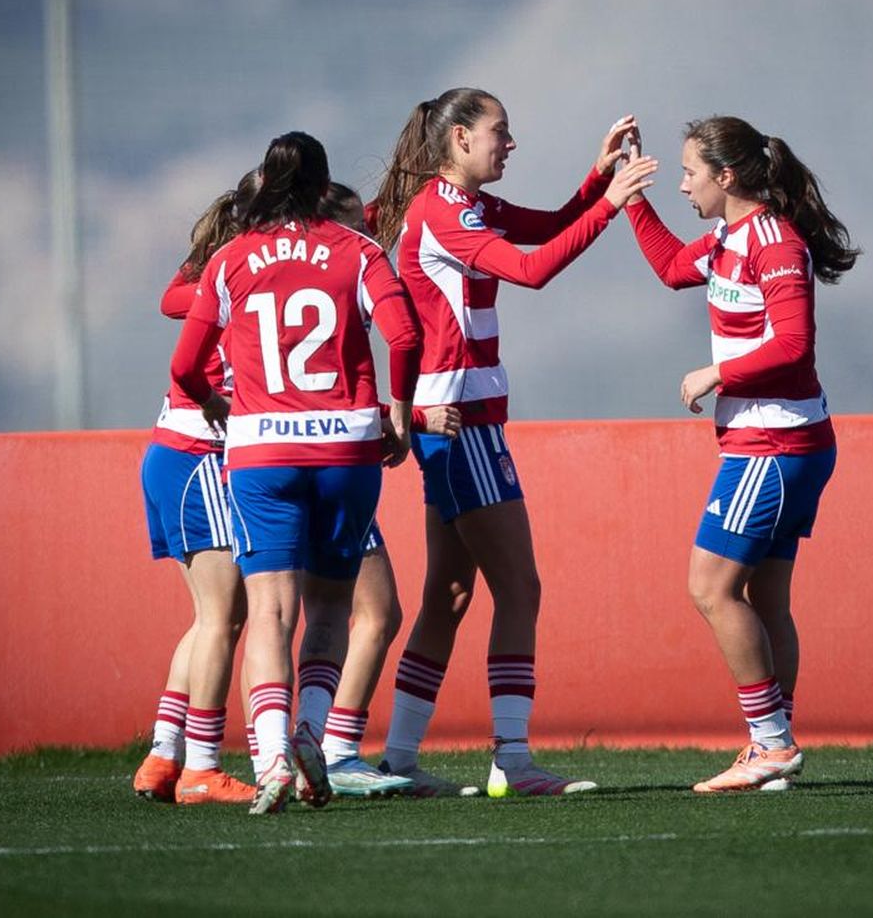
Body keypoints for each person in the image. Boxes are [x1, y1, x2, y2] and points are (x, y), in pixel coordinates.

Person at [366, 89, 657, 796]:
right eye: (501, 132)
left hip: (459, 417)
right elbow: (531, 270)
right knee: (519, 587)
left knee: (452, 592)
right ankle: (513, 760)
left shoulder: (459, 205)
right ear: (460, 139)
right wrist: (615, 202)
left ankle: (401, 758)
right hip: (461, 421)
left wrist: (595, 180)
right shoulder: (446, 210)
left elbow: (550, 225)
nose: (511, 143)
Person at [171, 132, 422, 815]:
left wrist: (224, 407)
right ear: (322, 185)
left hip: (261, 454)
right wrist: (396, 414)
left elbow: (185, 369)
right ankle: (314, 733)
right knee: (334, 609)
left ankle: (273, 755)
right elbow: (404, 336)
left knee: (271, 615)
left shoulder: (229, 260)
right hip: (345, 448)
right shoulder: (358, 250)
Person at [621, 116, 858, 793]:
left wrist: (715, 373)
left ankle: (772, 744)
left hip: (776, 442)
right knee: (766, 597)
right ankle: (774, 749)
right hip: (776, 441)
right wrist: (629, 194)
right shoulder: (728, 237)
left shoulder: (775, 242)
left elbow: (792, 345)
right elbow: (671, 268)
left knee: (709, 586)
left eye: (691, 171)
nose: (684, 184)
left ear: (727, 177)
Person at [289, 184, 462, 799]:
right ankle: (334, 750)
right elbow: (363, 374)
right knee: (374, 611)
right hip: (332, 462)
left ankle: (287, 747)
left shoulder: (267, 276)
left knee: (290, 614)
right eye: (355, 229)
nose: (366, 238)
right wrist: (411, 417)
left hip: (273, 462)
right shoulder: (347, 279)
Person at [132, 170, 259, 805]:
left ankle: (163, 756)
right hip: (197, 457)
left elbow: (172, 296)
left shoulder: (220, 275)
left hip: (171, 457)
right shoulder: (237, 276)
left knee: (211, 616)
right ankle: (201, 770)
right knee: (223, 616)